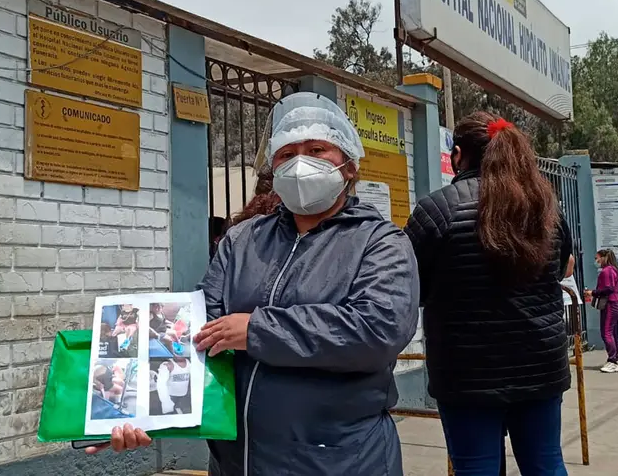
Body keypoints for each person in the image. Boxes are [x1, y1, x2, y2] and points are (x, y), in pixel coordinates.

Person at [91, 92, 421, 474]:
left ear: (349, 166)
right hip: (238, 462)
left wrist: (256, 330)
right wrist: (133, 408)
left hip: (339, 461)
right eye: (286, 154)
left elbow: (377, 330)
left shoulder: (380, 243)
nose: (300, 163)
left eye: (317, 149)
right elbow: (194, 330)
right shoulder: (242, 240)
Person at [405, 112, 572, 476]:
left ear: (458, 155)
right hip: (540, 366)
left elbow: (410, 286)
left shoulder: (438, 210)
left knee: (476, 469)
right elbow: (561, 270)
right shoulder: (545, 208)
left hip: (467, 374)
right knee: (546, 464)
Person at [590, 249, 618, 374]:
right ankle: (615, 359)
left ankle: (612, 360)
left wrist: (593, 292)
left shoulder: (607, 271)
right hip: (614, 302)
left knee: (606, 332)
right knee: (612, 332)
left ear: (604, 257)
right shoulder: (613, 270)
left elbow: (608, 288)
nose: (596, 261)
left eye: (597, 258)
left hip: (610, 303)